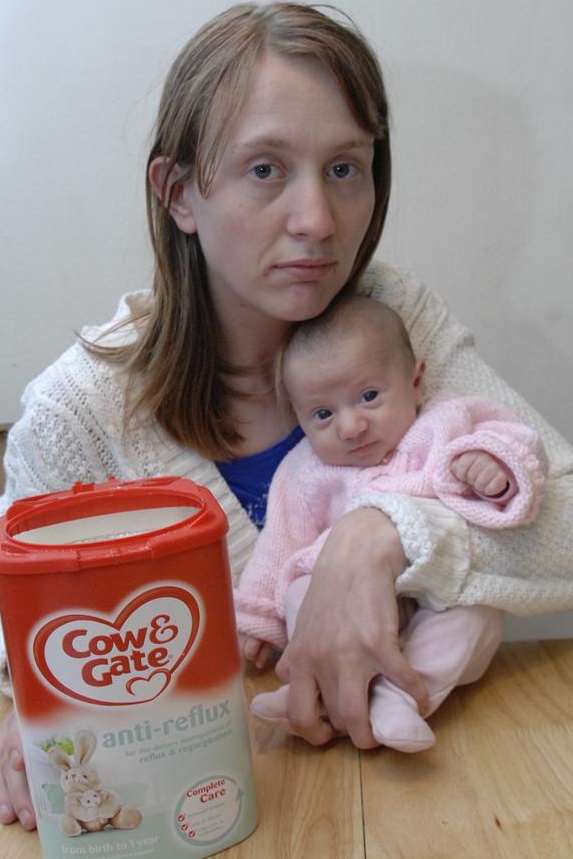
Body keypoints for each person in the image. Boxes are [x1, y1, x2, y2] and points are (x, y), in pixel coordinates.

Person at [0, 0, 572, 832]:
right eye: (265, 169)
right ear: (179, 192)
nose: (316, 222)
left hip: (436, 789)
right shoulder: (78, 412)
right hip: (228, 811)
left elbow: (564, 513)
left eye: (345, 168)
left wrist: (377, 533)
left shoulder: (396, 318)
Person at [235, 294, 545, 751]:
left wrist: (492, 464)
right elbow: (279, 544)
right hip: (337, 601)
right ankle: (322, 688)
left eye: (369, 396)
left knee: (478, 617)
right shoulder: (304, 471)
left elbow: (519, 441)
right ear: (298, 418)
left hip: (435, 591)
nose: (351, 426)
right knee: (300, 589)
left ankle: (400, 693)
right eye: (323, 414)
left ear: (415, 380)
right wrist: (256, 617)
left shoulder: (447, 421)